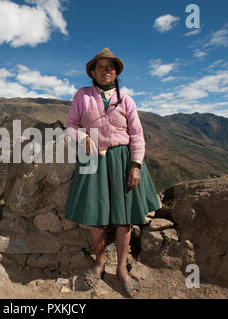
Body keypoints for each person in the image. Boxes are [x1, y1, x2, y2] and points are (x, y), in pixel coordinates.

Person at [64, 47, 162, 298]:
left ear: (116, 72)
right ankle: (98, 264)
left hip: (122, 159)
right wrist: (83, 137)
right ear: (93, 73)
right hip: (93, 160)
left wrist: (136, 164)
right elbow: (71, 125)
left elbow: (137, 134)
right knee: (96, 219)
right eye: (100, 67)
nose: (105, 71)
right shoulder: (82, 96)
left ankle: (121, 269)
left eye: (110, 67)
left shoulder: (126, 100)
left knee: (123, 219)